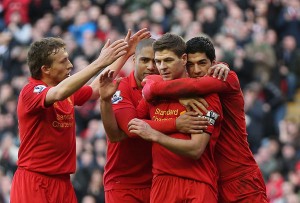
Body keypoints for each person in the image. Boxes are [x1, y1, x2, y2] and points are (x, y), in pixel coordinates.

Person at [141, 36, 269, 202]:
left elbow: (186, 85)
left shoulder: (226, 78)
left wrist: (152, 89)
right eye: (191, 65)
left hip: (240, 177)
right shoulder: (193, 92)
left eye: (202, 63)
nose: (196, 70)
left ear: (213, 63)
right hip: (213, 182)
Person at [9, 33, 130, 203]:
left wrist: (124, 54)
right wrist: (99, 62)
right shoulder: (30, 91)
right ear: (46, 69)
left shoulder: (66, 90)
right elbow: (58, 93)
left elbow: (95, 89)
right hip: (34, 181)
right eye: (63, 61)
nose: (70, 65)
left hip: (62, 182)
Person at [99, 38, 210, 203]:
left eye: (155, 61)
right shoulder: (121, 87)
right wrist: (176, 124)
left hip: (156, 180)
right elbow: (129, 130)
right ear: (134, 60)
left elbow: (199, 65)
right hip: (124, 182)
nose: (151, 67)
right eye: (145, 60)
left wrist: (222, 67)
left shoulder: (167, 86)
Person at [127, 33, 223, 202]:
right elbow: (135, 126)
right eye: (159, 61)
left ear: (184, 58)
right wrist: (174, 124)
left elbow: (196, 149)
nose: (162, 67)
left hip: (198, 184)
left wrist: (155, 135)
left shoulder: (204, 96)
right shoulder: (154, 92)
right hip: (162, 183)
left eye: (168, 60)